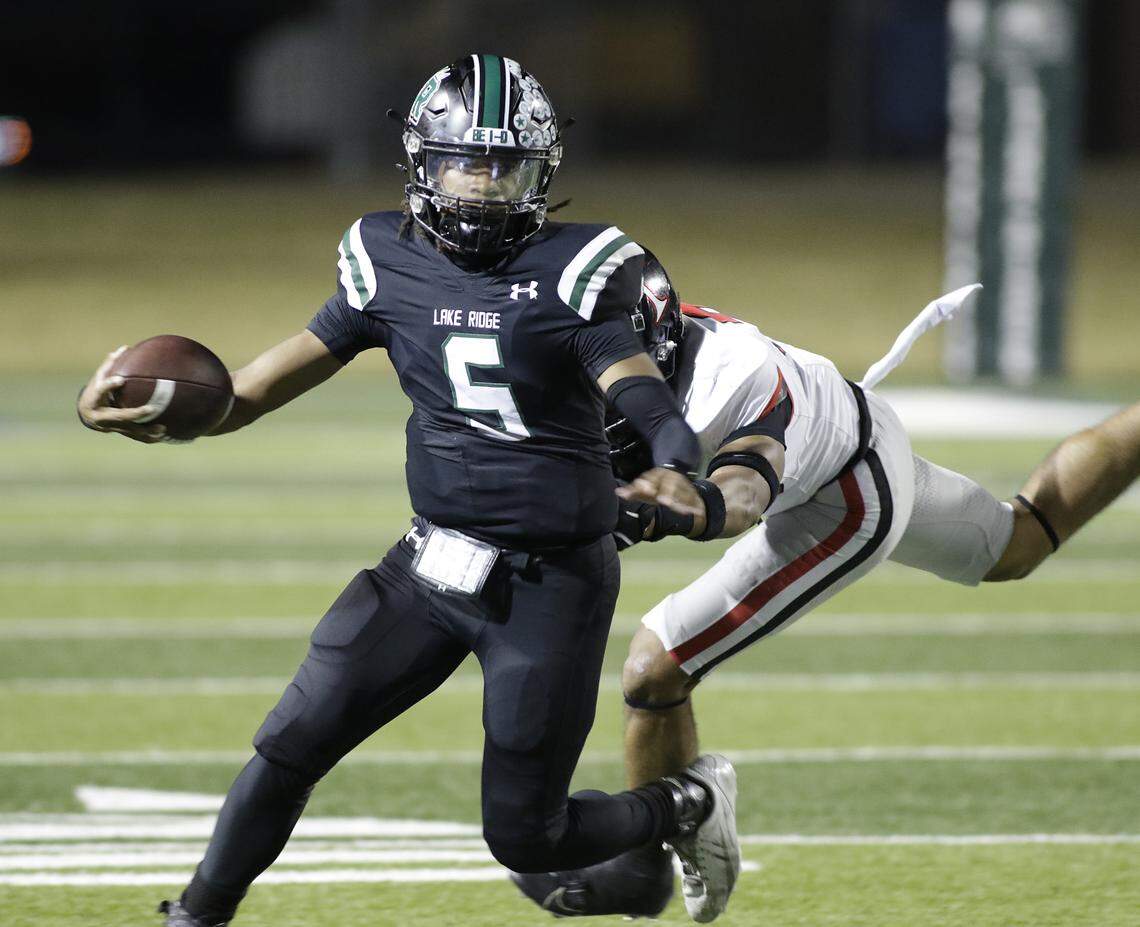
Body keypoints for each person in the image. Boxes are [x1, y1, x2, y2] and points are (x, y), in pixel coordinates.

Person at [77, 56, 741, 926]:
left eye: (504, 167)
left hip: (549, 585)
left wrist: (672, 464)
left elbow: (647, 400)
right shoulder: (381, 258)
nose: (483, 187)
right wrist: (145, 410)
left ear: (540, 174)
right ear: (423, 162)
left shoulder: (576, 271)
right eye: (467, 162)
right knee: (288, 746)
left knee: (525, 836)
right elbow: (245, 392)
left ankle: (687, 804)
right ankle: (193, 916)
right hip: (427, 568)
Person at [512, 253, 1140, 917]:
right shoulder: (645, 352)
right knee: (1017, 542)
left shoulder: (731, 379)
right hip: (845, 423)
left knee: (655, 666)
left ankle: (645, 866)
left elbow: (743, 494)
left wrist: (673, 506)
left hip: (843, 494)